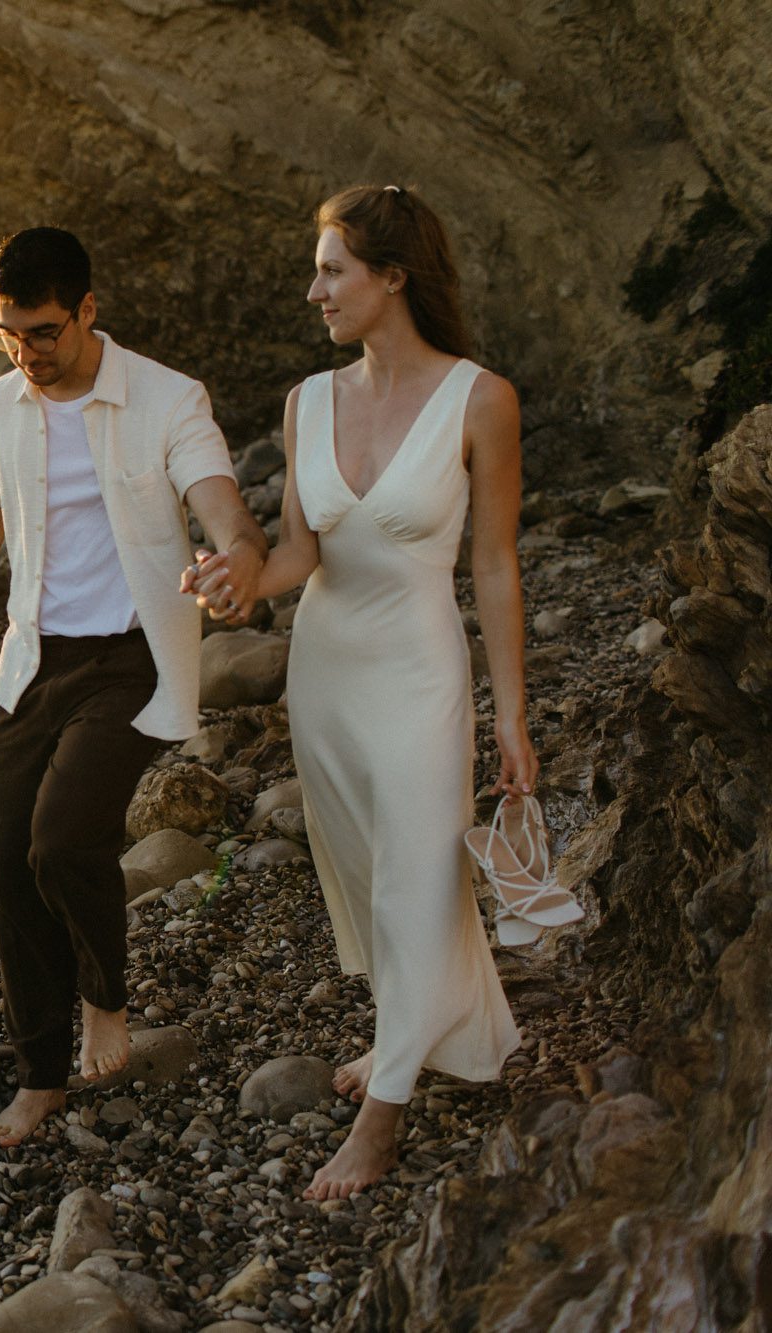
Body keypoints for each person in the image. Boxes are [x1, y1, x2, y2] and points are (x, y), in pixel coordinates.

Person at [187, 184, 528, 1199]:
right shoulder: (308, 401)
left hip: (420, 671)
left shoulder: (481, 399)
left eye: (332, 271)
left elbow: (495, 565)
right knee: (372, 873)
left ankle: (382, 1116)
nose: (316, 292)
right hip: (326, 672)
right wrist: (237, 582)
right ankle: (411, 1026)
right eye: (318, 272)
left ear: (393, 277)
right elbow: (300, 552)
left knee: (420, 872)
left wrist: (510, 714)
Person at [0, 227, 267, 1147]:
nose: (27, 352)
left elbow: (221, 502)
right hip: (33, 660)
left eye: (44, 332)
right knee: (11, 872)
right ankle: (41, 1077)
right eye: (9, 333)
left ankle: (105, 996)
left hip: (132, 655)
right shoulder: (2, 404)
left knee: (64, 835)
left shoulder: (167, 398)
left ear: (87, 311)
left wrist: (235, 556)